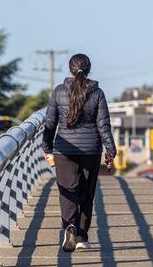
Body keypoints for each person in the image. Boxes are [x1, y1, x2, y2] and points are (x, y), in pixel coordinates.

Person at [42, 53, 116, 252]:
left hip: (64, 150)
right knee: (86, 193)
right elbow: (103, 125)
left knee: (68, 192)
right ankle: (82, 237)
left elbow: (50, 123)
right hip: (91, 150)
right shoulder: (97, 93)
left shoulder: (59, 92)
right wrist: (111, 150)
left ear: (70, 69)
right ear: (89, 69)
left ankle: (69, 226)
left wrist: (46, 147)